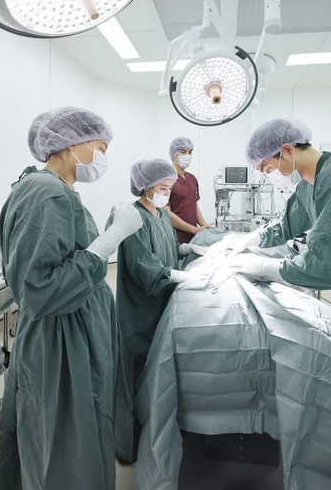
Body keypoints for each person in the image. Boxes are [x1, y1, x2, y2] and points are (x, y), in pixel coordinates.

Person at [227, 118, 331, 490]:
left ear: (288, 150)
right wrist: (249, 241)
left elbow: (328, 265)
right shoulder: (310, 183)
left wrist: (267, 267)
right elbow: (287, 226)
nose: (269, 176)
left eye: (268, 168)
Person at [0, 106, 143, 490]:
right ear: (69, 144)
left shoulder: (55, 191)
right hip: (60, 345)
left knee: (66, 438)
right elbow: (41, 292)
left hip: (67, 338)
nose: (103, 157)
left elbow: (62, 257)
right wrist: (110, 240)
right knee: (64, 449)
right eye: (101, 146)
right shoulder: (46, 193)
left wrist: (102, 236)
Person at [114, 158, 207, 466]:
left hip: (160, 309)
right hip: (139, 315)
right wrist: (181, 276)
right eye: (164, 188)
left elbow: (167, 248)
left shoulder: (158, 214)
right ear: (146, 186)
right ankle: (129, 448)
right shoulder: (132, 218)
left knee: (155, 381)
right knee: (136, 381)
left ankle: (154, 440)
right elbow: (145, 267)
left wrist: (189, 250)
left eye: (170, 188)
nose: (168, 194)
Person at [166, 137, 208, 243]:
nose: (187, 156)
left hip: (193, 236)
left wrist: (205, 226)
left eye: (190, 152)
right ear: (173, 154)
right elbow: (166, 213)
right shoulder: (166, 180)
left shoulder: (192, 178)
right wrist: (194, 229)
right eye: (183, 152)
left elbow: (193, 205)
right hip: (174, 236)